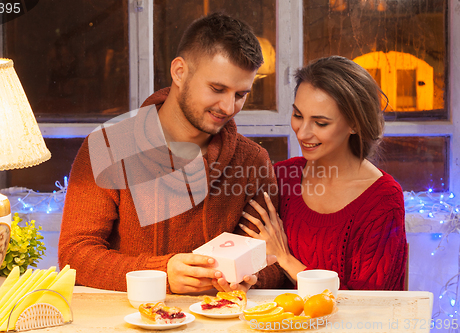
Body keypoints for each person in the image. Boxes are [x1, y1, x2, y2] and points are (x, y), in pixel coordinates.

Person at [58, 13, 285, 294]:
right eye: (217, 89)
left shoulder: (253, 161)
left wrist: (252, 277)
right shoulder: (107, 147)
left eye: (240, 95)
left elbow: (274, 265)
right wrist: (162, 273)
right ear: (179, 72)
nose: (228, 107)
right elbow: (74, 257)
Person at [240, 56, 408, 290]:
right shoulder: (281, 176)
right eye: (298, 115)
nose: (302, 133)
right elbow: (259, 261)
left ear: (355, 124)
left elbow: (370, 303)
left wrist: (285, 259)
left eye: (320, 123)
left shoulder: (383, 200)